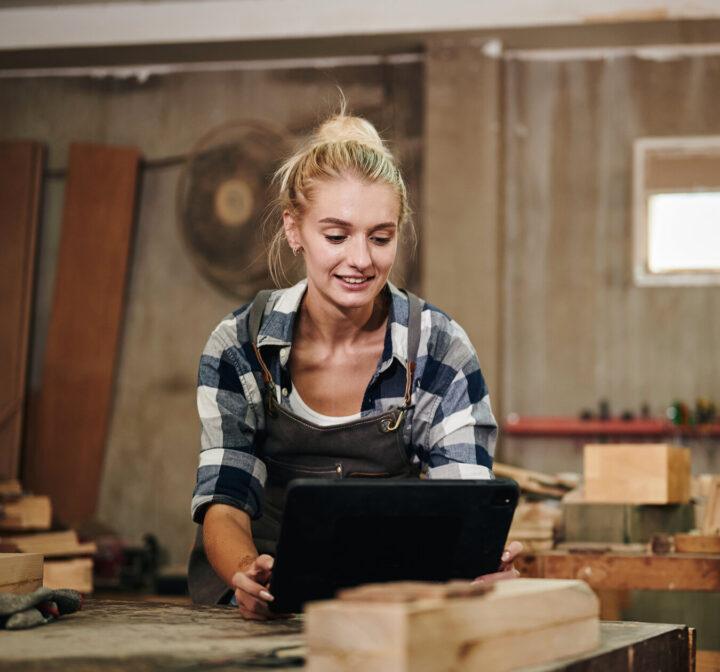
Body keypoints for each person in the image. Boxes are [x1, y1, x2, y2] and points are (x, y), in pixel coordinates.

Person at [187, 103, 521, 619]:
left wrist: (478, 563)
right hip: (264, 608)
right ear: (294, 229)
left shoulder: (437, 349)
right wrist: (246, 574)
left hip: (393, 608)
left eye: (380, 237)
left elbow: (465, 505)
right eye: (337, 236)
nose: (361, 260)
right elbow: (225, 499)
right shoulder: (240, 345)